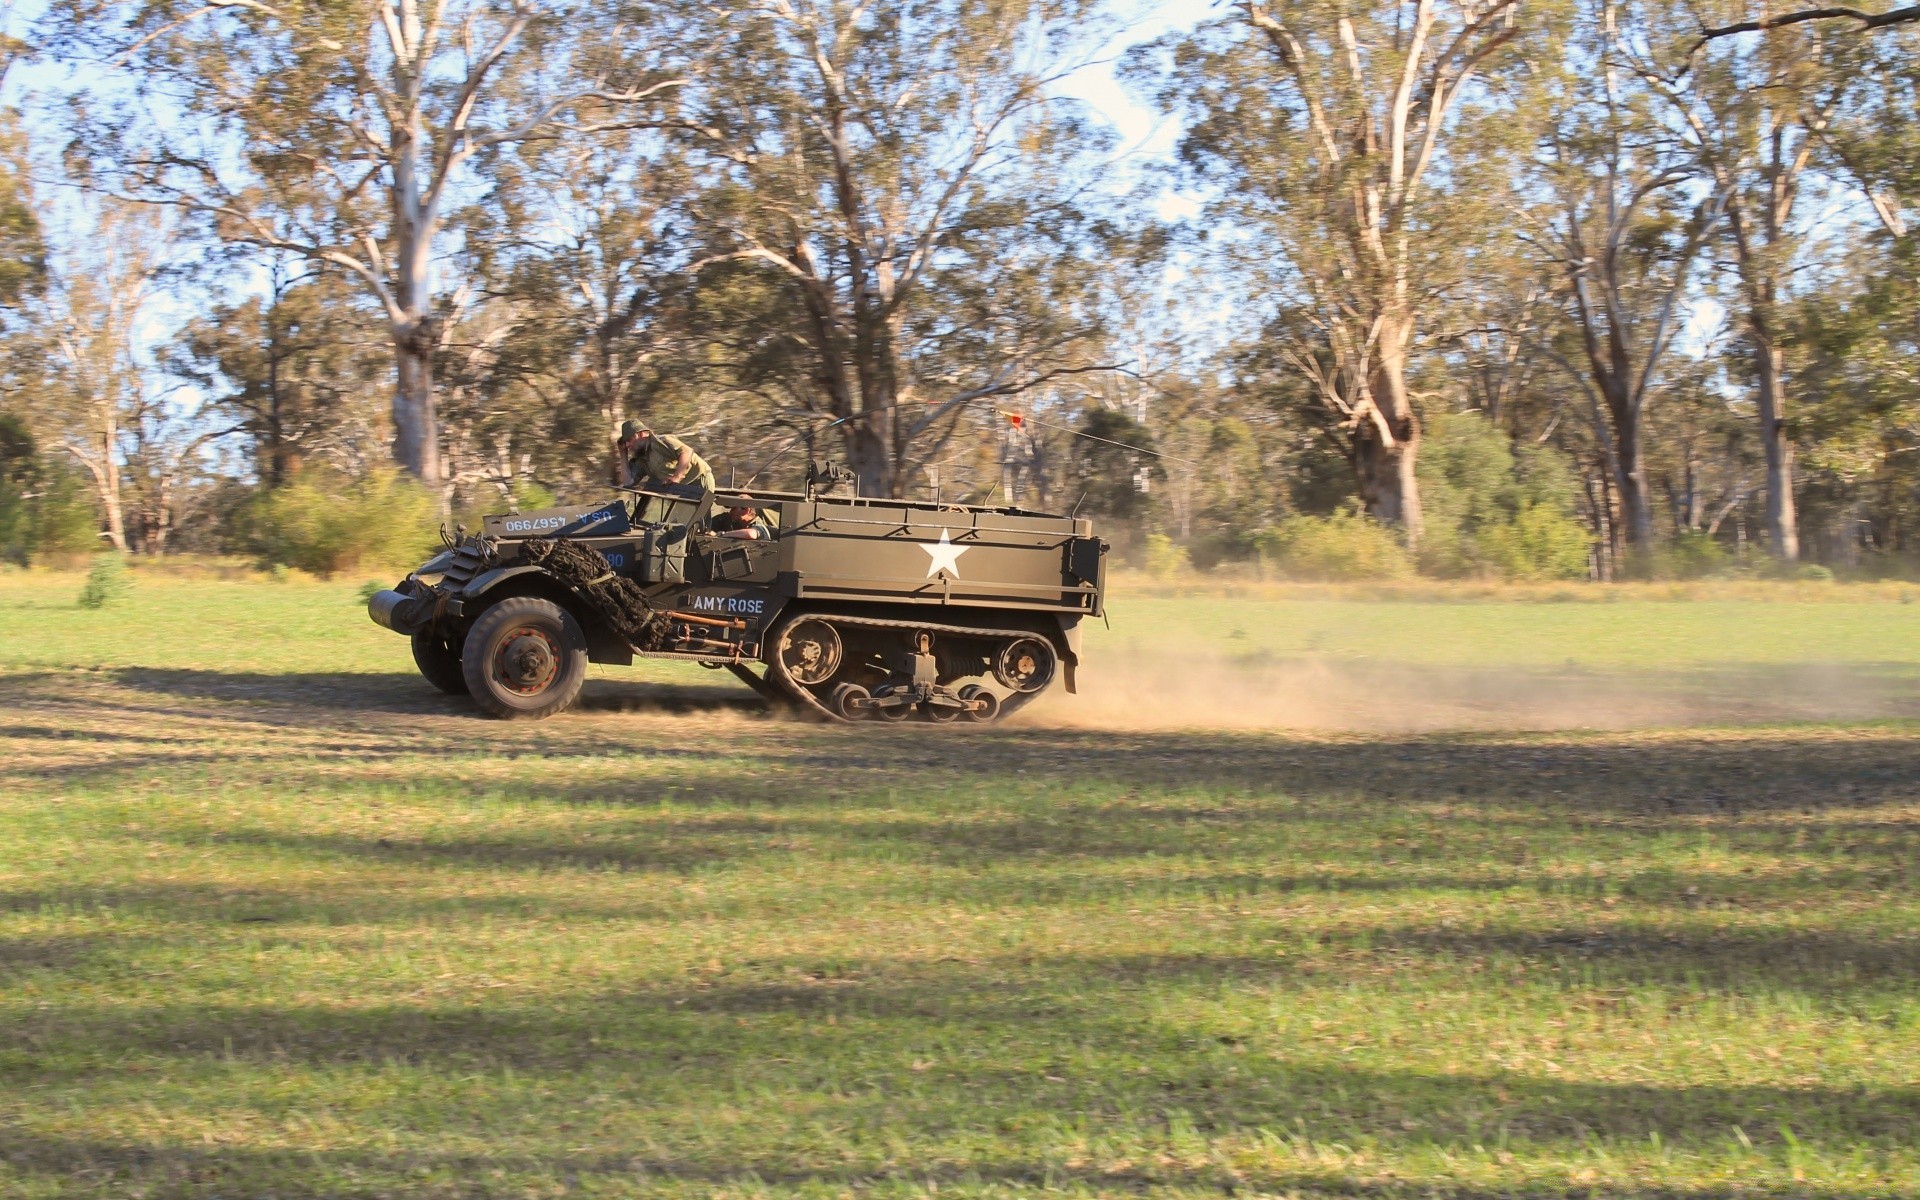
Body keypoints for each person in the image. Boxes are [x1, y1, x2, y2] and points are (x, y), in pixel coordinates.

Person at [616, 419, 714, 495]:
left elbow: (686, 451)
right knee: (677, 520)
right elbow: (628, 482)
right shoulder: (642, 459)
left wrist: (677, 476)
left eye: (629, 440)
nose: (628, 445)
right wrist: (623, 454)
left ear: (641, 434)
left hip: (698, 480)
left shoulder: (662, 442)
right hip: (679, 488)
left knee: (699, 520)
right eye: (625, 443)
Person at [709, 501, 776, 541]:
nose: (730, 512)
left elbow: (751, 534)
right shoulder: (738, 524)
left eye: (734, 508)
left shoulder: (758, 525)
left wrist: (721, 535)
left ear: (746, 510)